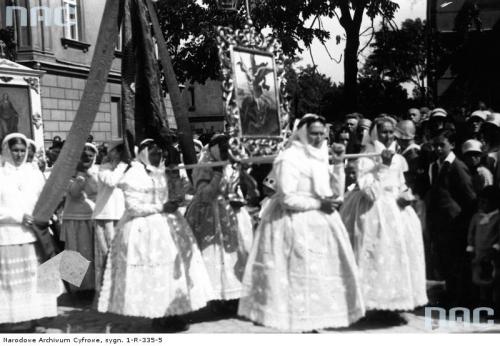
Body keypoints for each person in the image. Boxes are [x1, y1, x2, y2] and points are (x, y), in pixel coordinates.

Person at [238, 114, 365, 332]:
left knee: (318, 277)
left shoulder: (320, 155)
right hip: (293, 223)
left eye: (321, 134)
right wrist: (318, 205)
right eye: (313, 134)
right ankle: (298, 327)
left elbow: (335, 193)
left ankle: (313, 323)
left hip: (322, 224)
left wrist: (337, 164)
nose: (318, 138)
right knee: (297, 276)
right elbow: (287, 198)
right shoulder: (289, 158)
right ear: (303, 133)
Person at [98, 139, 213, 332]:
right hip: (144, 228)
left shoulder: (162, 172)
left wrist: (176, 198)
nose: (157, 156)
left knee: (172, 271)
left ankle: (174, 312)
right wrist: (161, 207)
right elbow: (133, 207)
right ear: (142, 153)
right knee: (154, 272)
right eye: (152, 153)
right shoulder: (133, 174)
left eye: (159, 153)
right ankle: (158, 316)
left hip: (169, 224)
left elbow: (177, 193)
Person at [341, 117, 427, 323]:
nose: (387, 137)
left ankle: (392, 304)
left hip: (397, 211)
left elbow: (400, 182)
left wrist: (406, 194)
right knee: (374, 253)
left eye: (391, 132)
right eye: (383, 133)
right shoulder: (366, 158)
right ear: (375, 134)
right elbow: (369, 192)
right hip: (374, 211)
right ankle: (369, 304)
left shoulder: (398, 158)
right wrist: (382, 166)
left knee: (397, 256)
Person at [185, 134, 254, 313]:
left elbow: (237, 188)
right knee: (213, 255)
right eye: (222, 149)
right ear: (213, 148)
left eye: (227, 149)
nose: (225, 152)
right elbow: (203, 195)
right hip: (208, 215)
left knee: (233, 254)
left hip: (229, 213)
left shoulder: (232, 165)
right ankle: (214, 298)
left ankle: (232, 296)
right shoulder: (204, 167)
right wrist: (216, 173)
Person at [0, 133, 58, 331]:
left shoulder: (33, 174)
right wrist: (17, 216)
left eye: (22, 151)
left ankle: (35, 317)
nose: (18, 154)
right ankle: (14, 320)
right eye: (14, 150)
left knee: (35, 280)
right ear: (6, 150)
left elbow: (44, 199)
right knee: (13, 282)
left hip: (34, 235)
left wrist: (45, 215)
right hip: (9, 236)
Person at [427, 129, 477, 307]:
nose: (438, 149)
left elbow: (469, 198)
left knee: (457, 264)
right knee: (445, 263)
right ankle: (449, 297)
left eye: (442, 145)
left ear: (452, 145)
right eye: (435, 145)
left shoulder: (458, 166)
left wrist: (465, 224)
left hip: (455, 224)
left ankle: (459, 301)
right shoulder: (435, 165)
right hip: (441, 224)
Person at [60, 143, 99, 296]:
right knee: (76, 252)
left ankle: (93, 286)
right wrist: (81, 174)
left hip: (93, 217)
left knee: (92, 252)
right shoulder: (70, 172)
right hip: (75, 218)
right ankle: (78, 288)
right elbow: (75, 193)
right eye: (83, 155)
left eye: (91, 155)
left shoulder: (98, 172)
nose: (87, 158)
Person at [92, 140, 128, 300]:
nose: (119, 154)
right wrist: (122, 165)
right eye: (116, 150)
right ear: (110, 153)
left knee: (120, 255)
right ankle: (104, 293)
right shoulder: (103, 169)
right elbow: (112, 181)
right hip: (104, 217)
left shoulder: (125, 170)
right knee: (106, 255)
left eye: (122, 151)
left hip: (120, 216)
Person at [466, 186, 500, 309]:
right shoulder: (476, 217)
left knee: (494, 279)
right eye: (480, 201)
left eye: (485, 202)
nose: (481, 205)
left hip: (492, 255)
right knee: (479, 279)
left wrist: (496, 248)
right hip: (478, 254)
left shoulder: (497, 217)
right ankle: (483, 303)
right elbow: (471, 233)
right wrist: (471, 248)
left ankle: (495, 304)